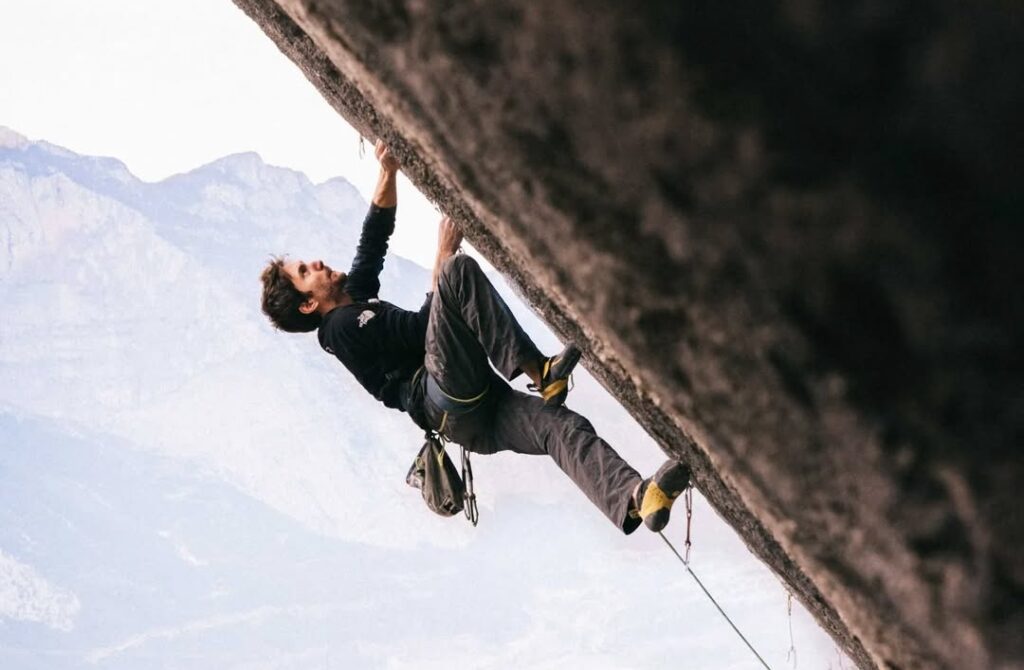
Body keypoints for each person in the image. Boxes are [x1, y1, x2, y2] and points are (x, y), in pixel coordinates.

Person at [259, 141, 689, 534]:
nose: (314, 262)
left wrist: (387, 171)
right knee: (456, 273)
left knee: (560, 426)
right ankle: (539, 372)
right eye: (304, 273)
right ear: (308, 305)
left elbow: (372, 244)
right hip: (442, 395)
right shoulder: (341, 329)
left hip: (476, 418)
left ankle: (636, 497)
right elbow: (421, 331)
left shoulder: (349, 303)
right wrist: (442, 256)